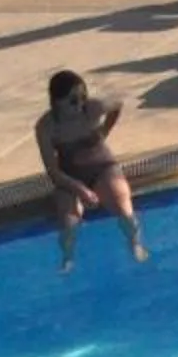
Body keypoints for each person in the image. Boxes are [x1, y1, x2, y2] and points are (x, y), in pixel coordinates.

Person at [34, 70, 146, 271]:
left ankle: (135, 243)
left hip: (103, 168)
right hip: (69, 176)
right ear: (56, 101)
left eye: (83, 97)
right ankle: (68, 258)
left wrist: (104, 132)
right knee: (69, 224)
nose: (80, 104)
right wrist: (80, 189)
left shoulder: (92, 109)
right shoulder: (46, 127)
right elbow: (53, 171)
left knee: (124, 209)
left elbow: (117, 105)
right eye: (73, 100)